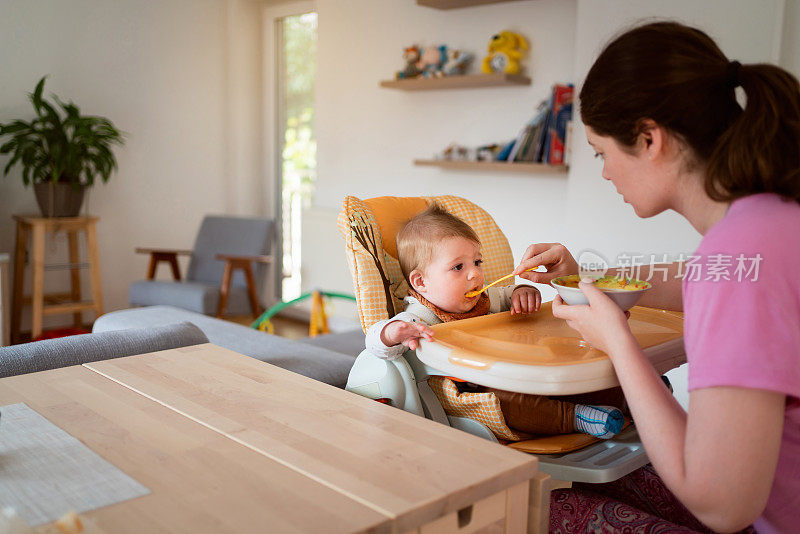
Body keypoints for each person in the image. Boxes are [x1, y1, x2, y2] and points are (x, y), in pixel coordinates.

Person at [513, 21, 800, 534]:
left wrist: (618, 343)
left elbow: (721, 505)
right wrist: (586, 274)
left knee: (535, 501)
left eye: (602, 153)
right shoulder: (770, 222)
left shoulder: (741, 250)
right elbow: (699, 275)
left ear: (649, 139)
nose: (604, 173)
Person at [366, 203, 627, 440]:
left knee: (564, 372)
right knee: (511, 403)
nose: (475, 274)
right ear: (421, 282)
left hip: (517, 370)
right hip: (476, 391)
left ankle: (623, 395)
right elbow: (375, 343)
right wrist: (392, 332)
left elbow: (509, 294)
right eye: (458, 267)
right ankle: (575, 418)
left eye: (477, 262)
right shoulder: (419, 318)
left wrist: (523, 293)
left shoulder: (488, 298)